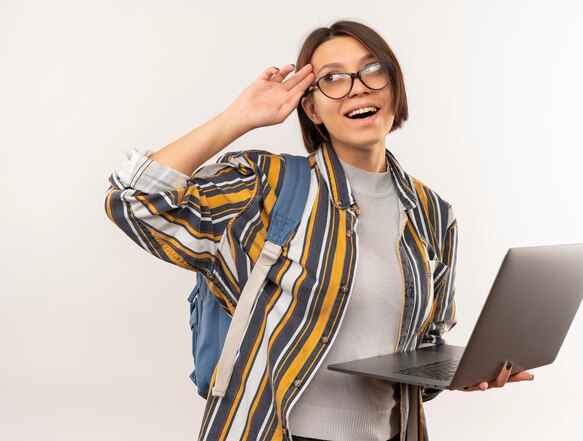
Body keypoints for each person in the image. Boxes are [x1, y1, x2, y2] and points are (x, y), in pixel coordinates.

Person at [105, 19, 533, 441]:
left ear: (393, 85)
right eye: (333, 79)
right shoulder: (267, 185)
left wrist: (463, 372)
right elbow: (133, 201)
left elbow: (424, 345)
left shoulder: (432, 213)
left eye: (372, 70)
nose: (358, 87)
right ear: (311, 108)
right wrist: (239, 117)